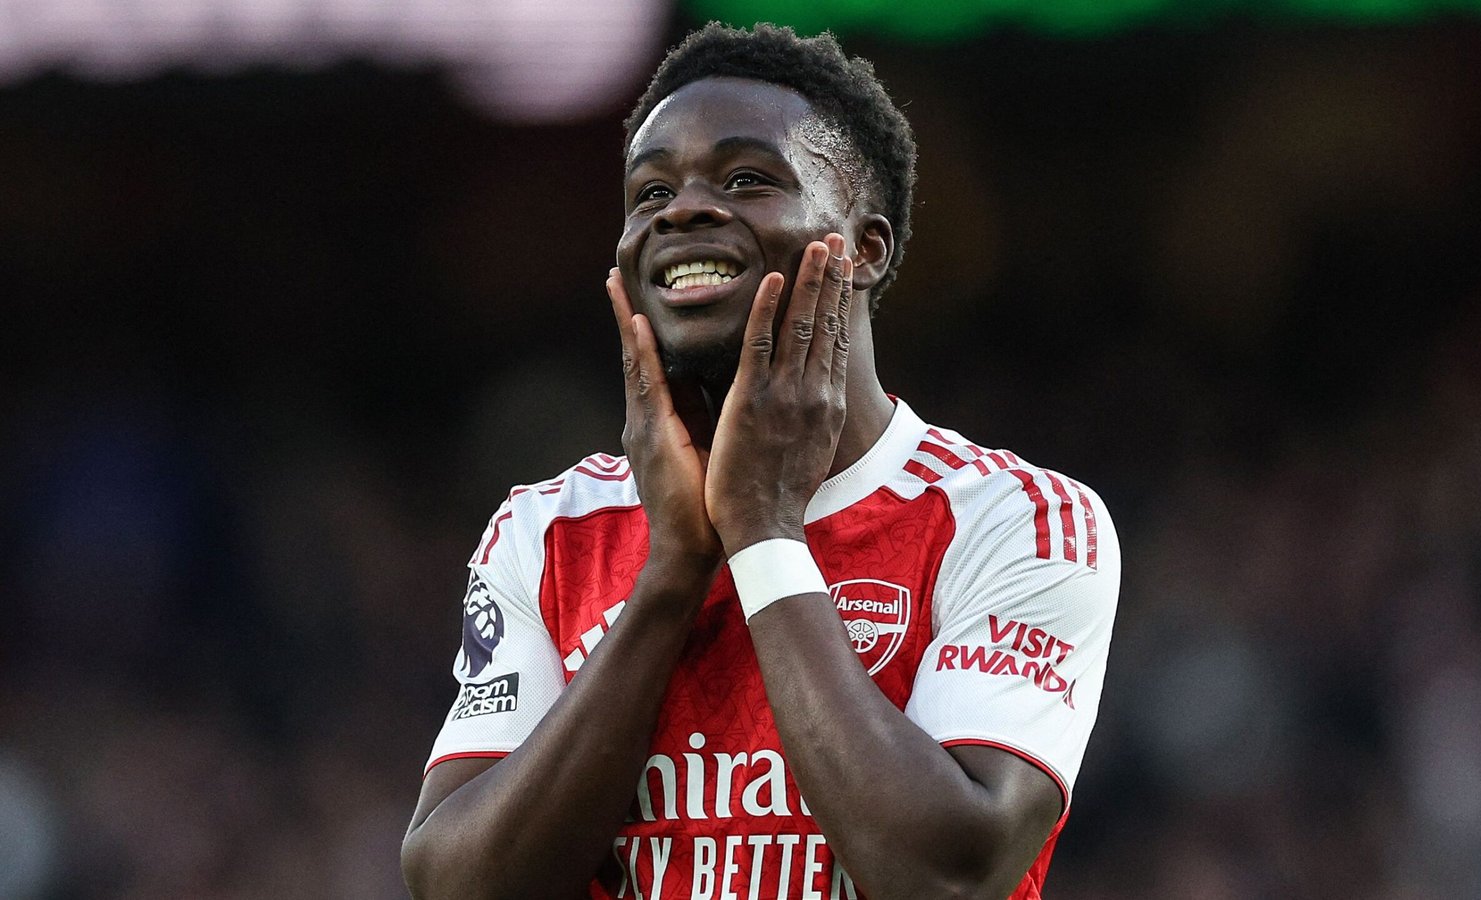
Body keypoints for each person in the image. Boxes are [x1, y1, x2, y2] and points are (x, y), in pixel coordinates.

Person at [401, 22, 1119, 900]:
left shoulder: (1018, 519)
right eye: (649, 190)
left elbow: (947, 877)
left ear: (865, 247)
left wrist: (766, 533)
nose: (682, 209)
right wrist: (671, 571)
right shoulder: (549, 530)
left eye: (748, 179)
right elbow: (455, 885)